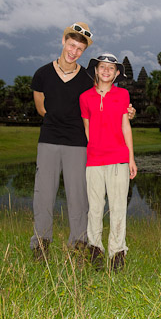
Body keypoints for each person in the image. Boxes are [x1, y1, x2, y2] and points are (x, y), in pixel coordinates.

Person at [30, 22, 135, 260]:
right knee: (43, 193)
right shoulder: (42, 74)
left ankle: (79, 242)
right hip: (49, 140)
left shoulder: (88, 79)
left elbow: (108, 102)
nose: (74, 51)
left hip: (78, 143)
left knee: (78, 196)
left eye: (80, 48)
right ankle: (41, 243)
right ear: (64, 41)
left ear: (83, 52)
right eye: (71, 44)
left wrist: (129, 111)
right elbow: (41, 108)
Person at [79, 53, 137, 271]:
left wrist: (131, 158)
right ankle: (95, 250)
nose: (106, 71)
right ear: (95, 70)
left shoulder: (123, 95)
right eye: (102, 67)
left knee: (118, 207)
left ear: (116, 74)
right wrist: (95, 148)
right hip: (94, 159)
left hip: (119, 158)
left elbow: (125, 127)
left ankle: (117, 254)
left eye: (110, 68)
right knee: (94, 208)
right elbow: (87, 128)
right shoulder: (85, 97)